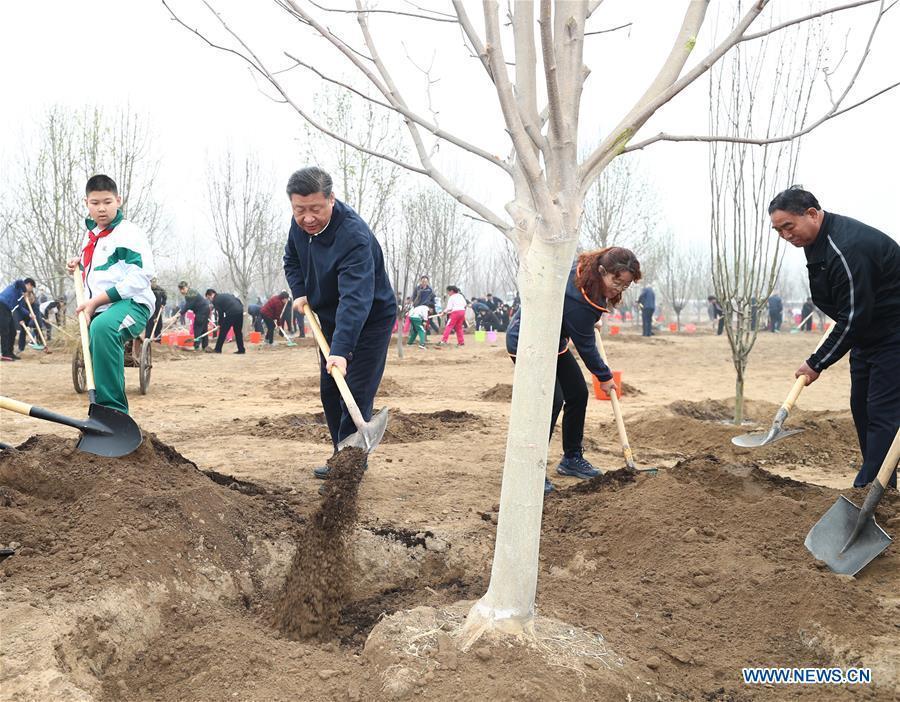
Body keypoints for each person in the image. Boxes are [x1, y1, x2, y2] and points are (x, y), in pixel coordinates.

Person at [769, 186, 900, 488]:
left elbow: (854, 317)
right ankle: (882, 487)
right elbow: (848, 312)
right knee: (863, 409)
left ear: (812, 214)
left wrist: (817, 362)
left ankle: (868, 490)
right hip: (869, 336)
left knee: (882, 415)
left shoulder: (847, 247)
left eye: (788, 226)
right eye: (779, 231)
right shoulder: (818, 242)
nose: (786, 236)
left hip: (893, 335)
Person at [282, 167, 396, 478]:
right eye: (299, 210)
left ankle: (349, 471)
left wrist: (342, 351)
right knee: (331, 392)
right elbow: (291, 260)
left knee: (355, 390)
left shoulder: (353, 237)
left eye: (315, 209)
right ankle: (341, 456)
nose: (307, 218)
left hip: (369, 319)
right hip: (330, 318)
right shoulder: (299, 228)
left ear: (331, 199)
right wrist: (301, 292)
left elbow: (356, 299)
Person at [507, 247, 642, 493]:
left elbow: (578, 319)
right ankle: (530, 469)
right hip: (527, 343)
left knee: (578, 393)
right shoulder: (579, 298)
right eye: (616, 281)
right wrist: (604, 377)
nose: (619, 289)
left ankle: (571, 459)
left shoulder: (586, 275)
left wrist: (591, 319)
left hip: (552, 343)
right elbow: (586, 346)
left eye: (625, 285)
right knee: (552, 400)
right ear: (602, 270)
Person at [65, 174, 154, 414]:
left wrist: (94, 302)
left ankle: (114, 414)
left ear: (118, 200)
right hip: (104, 307)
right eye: (95, 203)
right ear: (86, 203)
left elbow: (140, 276)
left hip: (132, 303)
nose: (101, 208)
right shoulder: (91, 235)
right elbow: (104, 272)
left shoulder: (128, 233)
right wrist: (80, 265)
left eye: (107, 202)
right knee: (98, 333)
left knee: (103, 328)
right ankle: (102, 412)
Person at [0, 278, 35, 361]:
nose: (31, 289)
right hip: (1, 305)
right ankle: (4, 354)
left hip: (8, 309)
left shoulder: (20, 295)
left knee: (13, 331)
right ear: (28, 284)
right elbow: (19, 281)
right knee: (5, 331)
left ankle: (10, 352)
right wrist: (25, 291)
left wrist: (29, 314)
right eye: (32, 287)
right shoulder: (16, 286)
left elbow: (20, 308)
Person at [206, 289, 246, 354]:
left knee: (223, 331)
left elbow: (220, 313)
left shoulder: (216, 300)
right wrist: (241, 308)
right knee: (238, 332)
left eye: (208, 298)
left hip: (231, 312)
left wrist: (220, 324)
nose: (209, 300)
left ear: (211, 295)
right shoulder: (225, 295)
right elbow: (238, 300)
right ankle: (241, 350)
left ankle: (218, 349)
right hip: (240, 311)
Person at [179, 281, 211, 351]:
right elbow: (187, 305)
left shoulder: (190, 294)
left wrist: (180, 314)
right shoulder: (190, 292)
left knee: (197, 327)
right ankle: (205, 346)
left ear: (185, 288)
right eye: (180, 290)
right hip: (205, 310)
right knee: (204, 328)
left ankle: (196, 346)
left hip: (202, 311)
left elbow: (188, 305)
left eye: (182, 289)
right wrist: (180, 313)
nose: (181, 291)